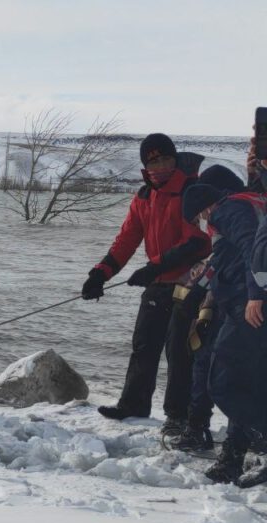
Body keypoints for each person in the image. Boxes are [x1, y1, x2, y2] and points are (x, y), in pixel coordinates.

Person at [81, 133, 210, 434]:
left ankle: (178, 416)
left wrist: (155, 266)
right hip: (158, 281)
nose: (161, 165)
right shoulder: (143, 197)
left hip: (190, 282)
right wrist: (101, 273)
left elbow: (198, 243)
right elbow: (126, 240)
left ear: (174, 160)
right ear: (145, 166)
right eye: (154, 161)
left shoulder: (192, 191)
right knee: (143, 345)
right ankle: (134, 404)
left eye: (166, 159)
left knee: (180, 351)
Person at [182, 181, 267, 486]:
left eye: (197, 217)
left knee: (224, 383)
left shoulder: (230, 210)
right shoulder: (242, 207)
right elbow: (229, 258)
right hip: (241, 304)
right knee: (249, 382)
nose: (202, 224)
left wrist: (256, 294)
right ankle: (232, 459)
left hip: (249, 307)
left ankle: (243, 451)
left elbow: (252, 249)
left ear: (205, 207)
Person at [169, 165, 245, 453]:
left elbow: (227, 260)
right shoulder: (234, 212)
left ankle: (220, 435)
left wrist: (198, 289)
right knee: (206, 359)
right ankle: (199, 426)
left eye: (204, 209)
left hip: (239, 302)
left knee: (225, 367)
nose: (203, 217)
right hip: (225, 299)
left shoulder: (235, 214)